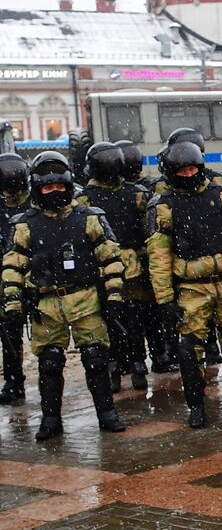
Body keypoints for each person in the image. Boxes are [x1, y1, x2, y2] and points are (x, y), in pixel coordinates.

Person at [2, 151, 127, 439]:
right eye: (48, 188)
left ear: (68, 186)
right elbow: (13, 266)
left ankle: (107, 413)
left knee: (96, 359)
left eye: (59, 187)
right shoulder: (24, 225)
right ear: (37, 189)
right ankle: (51, 419)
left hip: (85, 299)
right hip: (46, 303)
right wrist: (12, 302)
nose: (54, 192)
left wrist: (115, 297)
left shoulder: (89, 218)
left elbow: (111, 259)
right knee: (49, 362)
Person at [146, 142, 222, 428]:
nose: (189, 175)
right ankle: (196, 406)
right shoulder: (163, 206)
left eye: (193, 169)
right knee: (189, 350)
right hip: (191, 288)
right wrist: (164, 298)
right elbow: (159, 255)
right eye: (183, 171)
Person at [77, 142, 152, 392]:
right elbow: (148, 232)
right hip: (131, 266)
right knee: (133, 317)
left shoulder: (84, 199)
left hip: (104, 267)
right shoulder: (137, 193)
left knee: (114, 318)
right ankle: (136, 363)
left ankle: (118, 365)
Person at [0, 153, 31, 403]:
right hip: (7, 278)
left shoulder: (34, 204)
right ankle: (13, 381)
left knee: (46, 334)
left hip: (34, 276)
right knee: (10, 332)